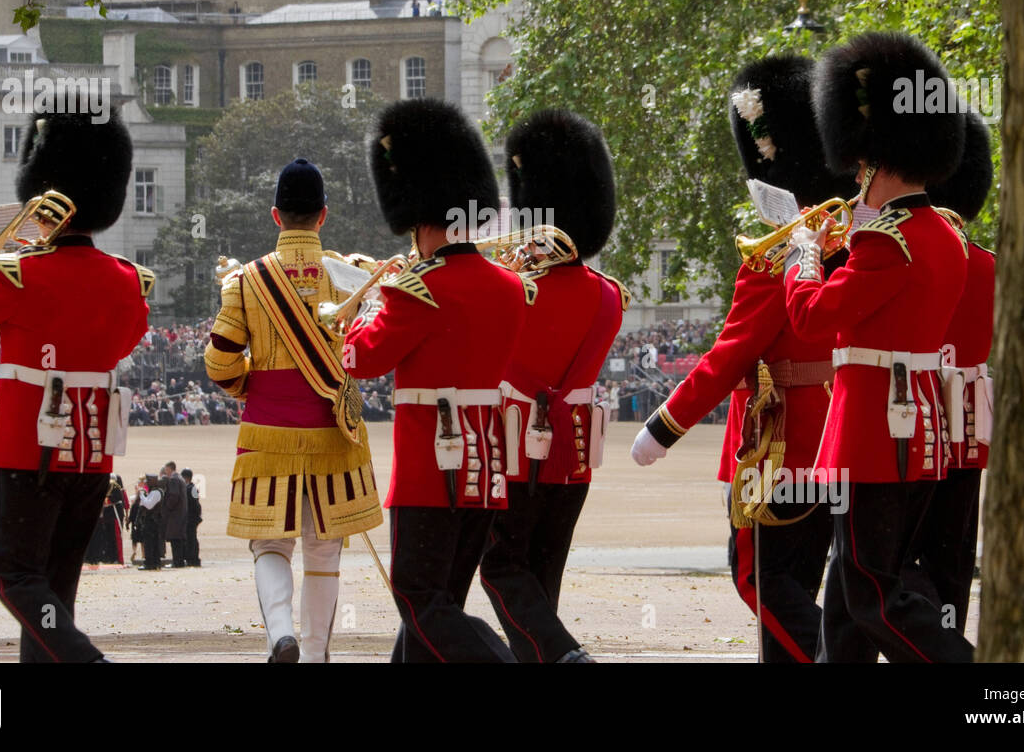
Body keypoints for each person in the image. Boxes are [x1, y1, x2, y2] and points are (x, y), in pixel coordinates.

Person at [631, 55, 856, 662]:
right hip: (834, 438)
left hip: (773, 443)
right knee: (799, 581)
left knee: (760, 578)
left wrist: (661, 428)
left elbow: (730, 354)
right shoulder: (852, 248)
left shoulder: (773, 260)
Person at [0, 94, 153, 662]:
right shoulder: (128, 280)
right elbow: (125, 340)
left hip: (25, 452)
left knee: (12, 574)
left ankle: (88, 659)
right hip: (93, 457)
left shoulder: (20, 273)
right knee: (57, 589)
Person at [781, 31, 972, 662]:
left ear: (878, 161)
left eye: (861, 166)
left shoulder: (889, 241)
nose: (855, 178)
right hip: (916, 430)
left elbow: (811, 318)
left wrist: (806, 256)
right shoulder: (942, 234)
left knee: (871, 593)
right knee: (845, 598)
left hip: (873, 433)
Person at [344, 98, 528, 663]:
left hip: (430, 468)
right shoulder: (510, 286)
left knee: (419, 599)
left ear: (422, 219)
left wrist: (361, 311)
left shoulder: (418, 290)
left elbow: (361, 360)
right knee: (441, 602)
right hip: (487, 466)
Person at [205, 158, 383, 663]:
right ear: (323, 216)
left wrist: (250, 386)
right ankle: (313, 651)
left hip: (266, 431)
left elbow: (219, 362)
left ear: (275, 215)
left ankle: (280, 633)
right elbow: (363, 355)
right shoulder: (349, 278)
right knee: (324, 551)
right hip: (332, 433)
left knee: (270, 546)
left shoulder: (245, 281)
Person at [478, 109, 629, 663]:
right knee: (543, 577)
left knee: (498, 564)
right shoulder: (610, 294)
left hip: (515, 449)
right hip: (573, 455)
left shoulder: (516, 288)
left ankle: (566, 654)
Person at [915, 111, 995, 634]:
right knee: (951, 561)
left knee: (889, 562)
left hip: (914, 424)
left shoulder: (911, 257)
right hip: (969, 429)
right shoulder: (988, 264)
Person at [161, 461, 187, 567]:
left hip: (174, 515)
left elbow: (174, 496)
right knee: (178, 539)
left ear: (169, 469)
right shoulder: (180, 479)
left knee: (175, 539)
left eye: (166, 470)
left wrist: (167, 507)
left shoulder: (174, 479)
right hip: (180, 513)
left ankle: (177, 561)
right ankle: (178, 561)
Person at [138, 474, 164, 569]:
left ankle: (150, 563)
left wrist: (141, 494)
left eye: (148, 481)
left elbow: (148, 505)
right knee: (151, 542)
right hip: (150, 521)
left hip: (153, 522)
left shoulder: (156, 493)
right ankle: (154, 562)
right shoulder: (152, 492)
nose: (146, 483)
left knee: (150, 543)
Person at [182, 469, 202, 567]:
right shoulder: (192, 488)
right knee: (192, 538)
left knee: (191, 538)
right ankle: (193, 558)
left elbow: (195, 503)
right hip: (193, 516)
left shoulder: (191, 488)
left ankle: (192, 558)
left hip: (191, 517)